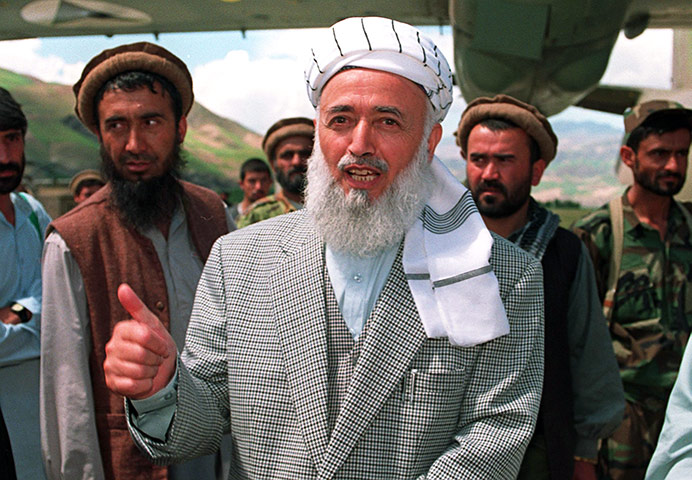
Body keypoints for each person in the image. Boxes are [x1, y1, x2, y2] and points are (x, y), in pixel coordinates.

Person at [104, 17, 545, 479]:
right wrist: (161, 389)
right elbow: (205, 419)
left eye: (388, 122)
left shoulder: (500, 275)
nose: (359, 144)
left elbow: (494, 435)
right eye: (341, 120)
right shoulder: (238, 260)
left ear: (429, 142)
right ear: (319, 132)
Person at [40, 42, 233, 480]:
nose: (133, 143)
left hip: (217, 458)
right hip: (131, 464)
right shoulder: (72, 242)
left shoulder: (215, 215)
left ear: (180, 127)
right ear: (98, 134)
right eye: (116, 125)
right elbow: (66, 396)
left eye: (150, 122)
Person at [458, 94, 624, 480]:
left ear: (536, 171)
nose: (488, 173)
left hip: (540, 448)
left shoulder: (563, 254)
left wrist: (584, 452)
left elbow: (588, 353)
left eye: (505, 160)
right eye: (478, 159)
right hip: (446, 440)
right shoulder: (431, 245)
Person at [573, 100, 692, 479]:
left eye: (681, 154)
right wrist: (583, 450)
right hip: (622, 424)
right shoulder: (600, 234)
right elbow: (576, 345)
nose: (673, 166)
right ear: (629, 156)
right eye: (659, 154)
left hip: (682, 416)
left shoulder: (689, 228)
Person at [0, 87, 51, 479]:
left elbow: (60, 298)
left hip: (43, 413)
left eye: (11, 139)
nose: (4, 157)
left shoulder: (31, 211)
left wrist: (18, 310)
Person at [236, 116, 313, 227]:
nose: (296, 162)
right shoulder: (257, 216)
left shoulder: (337, 209)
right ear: (273, 164)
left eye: (305, 154)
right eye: (287, 155)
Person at [227, 157, 272, 222]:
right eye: (252, 181)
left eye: (263, 180)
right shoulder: (229, 218)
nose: (258, 187)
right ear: (241, 184)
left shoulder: (279, 215)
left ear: (270, 182)